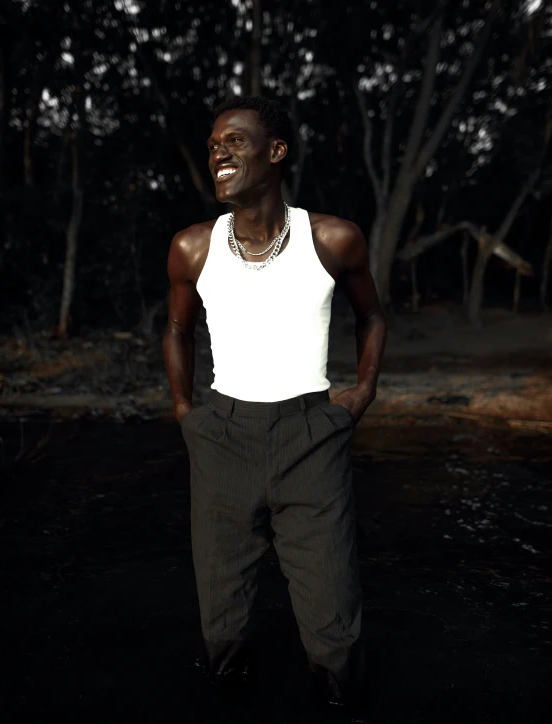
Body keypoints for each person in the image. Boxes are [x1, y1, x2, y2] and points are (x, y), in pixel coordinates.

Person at [162, 95, 386, 714]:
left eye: (234, 141)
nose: (218, 153)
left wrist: (361, 393)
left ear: (276, 152)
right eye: (213, 145)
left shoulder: (332, 239)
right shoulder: (193, 248)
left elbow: (371, 315)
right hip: (221, 437)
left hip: (311, 436)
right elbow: (176, 331)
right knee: (223, 633)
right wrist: (187, 414)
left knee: (335, 634)